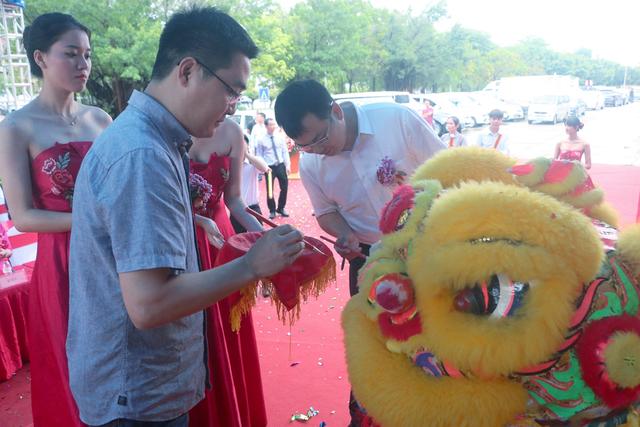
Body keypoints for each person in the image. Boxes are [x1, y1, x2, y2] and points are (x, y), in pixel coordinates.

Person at [67, 7, 304, 427]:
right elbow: (149, 303)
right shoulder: (141, 154)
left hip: (144, 386)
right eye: (232, 90)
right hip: (136, 398)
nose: (233, 107)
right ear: (188, 71)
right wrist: (252, 265)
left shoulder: (156, 140)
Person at [0, 13, 112, 427]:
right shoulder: (16, 127)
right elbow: (24, 216)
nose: (83, 64)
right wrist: (94, 219)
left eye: (87, 55)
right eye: (71, 54)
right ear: (41, 58)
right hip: (64, 262)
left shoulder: (100, 119)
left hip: (114, 253)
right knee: (78, 362)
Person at [188, 115, 267, 427]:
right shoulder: (170, 123)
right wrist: (196, 219)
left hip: (221, 238)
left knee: (228, 326)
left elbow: (234, 199)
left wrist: (261, 236)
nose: (231, 100)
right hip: (180, 237)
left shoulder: (232, 130)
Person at [231, 134, 269, 234]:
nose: (239, 146)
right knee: (237, 238)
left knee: (259, 237)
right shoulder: (229, 163)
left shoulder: (253, 162)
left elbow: (264, 168)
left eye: (241, 143)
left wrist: (246, 154)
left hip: (253, 207)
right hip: (236, 208)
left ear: (247, 145)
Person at [256, 117, 290, 219]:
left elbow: (285, 152)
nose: (273, 126)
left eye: (274, 124)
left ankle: (281, 208)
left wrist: (287, 165)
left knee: (284, 188)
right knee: (270, 190)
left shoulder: (280, 137)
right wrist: (264, 167)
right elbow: (259, 155)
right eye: (270, 125)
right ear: (266, 126)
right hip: (269, 168)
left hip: (280, 165)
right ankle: (272, 210)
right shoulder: (261, 139)